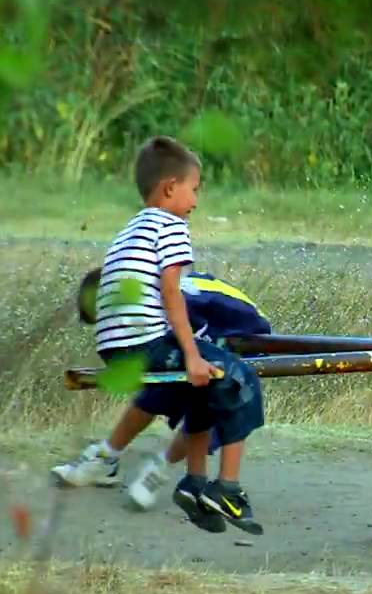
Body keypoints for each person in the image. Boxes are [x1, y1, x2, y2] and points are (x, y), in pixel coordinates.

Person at [61, 135, 263, 535]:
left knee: (203, 385)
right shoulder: (172, 226)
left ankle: (193, 484)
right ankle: (228, 489)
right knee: (240, 381)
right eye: (194, 190)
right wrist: (191, 354)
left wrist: (195, 360)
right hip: (152, 343)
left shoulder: (128, 230)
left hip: (116, 351)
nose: (196, 202)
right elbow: (172, 293)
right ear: (171, 187)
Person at [52, 267, 272, 519]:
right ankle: (106, 457)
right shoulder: (149, 300)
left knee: (208, 402)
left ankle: (159, 468)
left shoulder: (173, 305)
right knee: (159, 391)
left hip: (245, 334)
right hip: (209, 330)